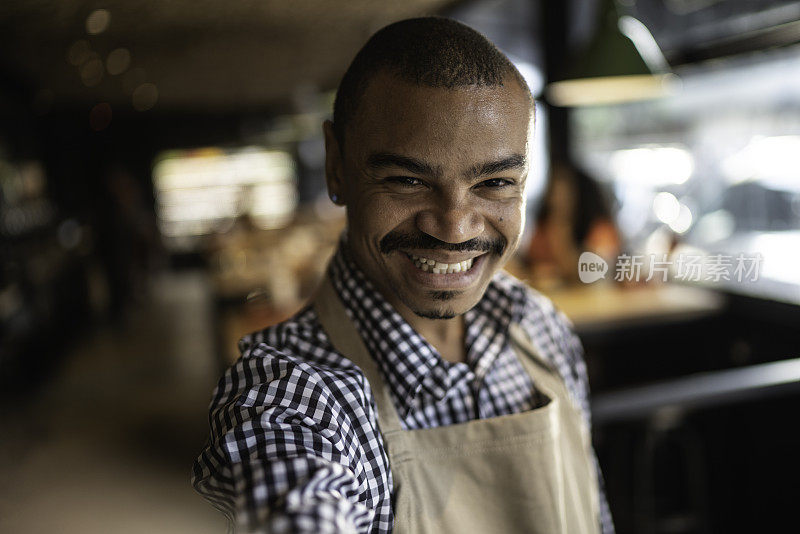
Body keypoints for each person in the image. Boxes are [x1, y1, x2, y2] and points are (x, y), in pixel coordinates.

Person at [193, 17, 614, 534]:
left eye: (496, 182)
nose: (455, 228)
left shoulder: (541, 326)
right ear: (336, 166)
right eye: (408, 180)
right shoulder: (294, 395)